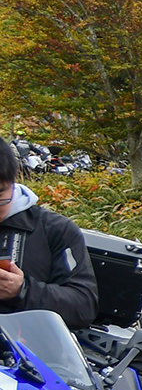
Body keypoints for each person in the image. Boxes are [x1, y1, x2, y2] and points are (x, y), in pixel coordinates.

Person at [0, 138, 98, 330]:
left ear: (13, 182)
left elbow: (83, 306)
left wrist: (23, 290)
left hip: (31, 351)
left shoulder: (54, 229)